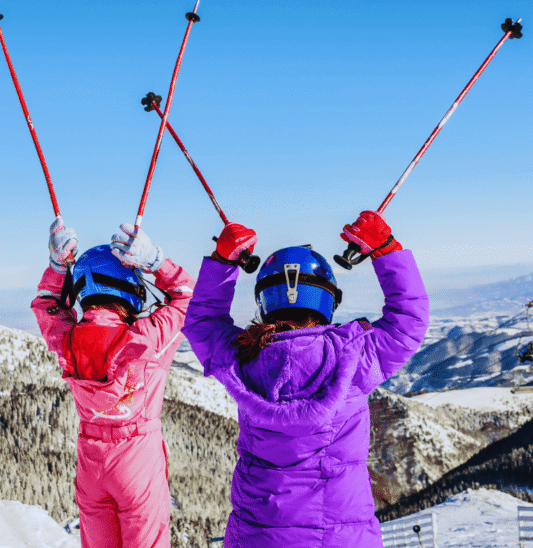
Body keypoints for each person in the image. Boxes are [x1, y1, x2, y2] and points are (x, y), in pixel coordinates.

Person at [183, 210, 429, 547]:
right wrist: (385, 248)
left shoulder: (243, 358)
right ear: (328, 300)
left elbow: (202, 322)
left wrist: (222, 260)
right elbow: (409, 319)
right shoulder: (354, 356)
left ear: (264, 302)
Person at [31, 218, 194, 548]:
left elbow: (47, 305)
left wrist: (56, 267)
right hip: (137, 459)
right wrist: (156, 262)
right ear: (130, 287)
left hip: (91, 461)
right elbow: (189, 299)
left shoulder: (69, 338)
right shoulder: (143, 336)